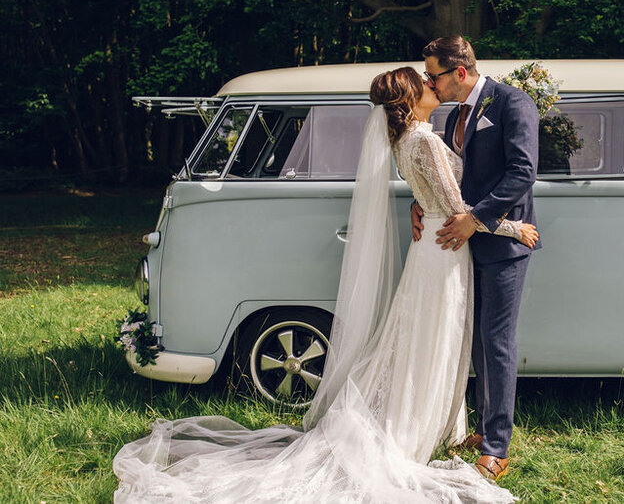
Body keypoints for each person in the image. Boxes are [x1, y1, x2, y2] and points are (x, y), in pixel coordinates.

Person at [112, 67, 537, 503]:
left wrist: (423, 204)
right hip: (443, 250)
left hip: (432, 248)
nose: (434, 86)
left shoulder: (406, 140)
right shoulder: (425, 139)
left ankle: (428, 423)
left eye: (433, 79)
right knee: (434, 339)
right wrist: (513, 229)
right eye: (425, 83)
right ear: (410, 100)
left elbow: (434, 195)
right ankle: (417, 428)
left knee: (422, 340)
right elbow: (456, 208)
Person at [413, 37, 540, 481]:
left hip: (505, 245)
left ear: (460, 73)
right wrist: (422, 204)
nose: (429, 82)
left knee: (497, 340)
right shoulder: (452, 117)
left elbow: (523, 172)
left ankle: (497, 448)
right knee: (476, 339)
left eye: (434, 76)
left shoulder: (512, 103)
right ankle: (486, 428)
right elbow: (452, 176)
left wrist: (475, 219)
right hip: (463, 246)